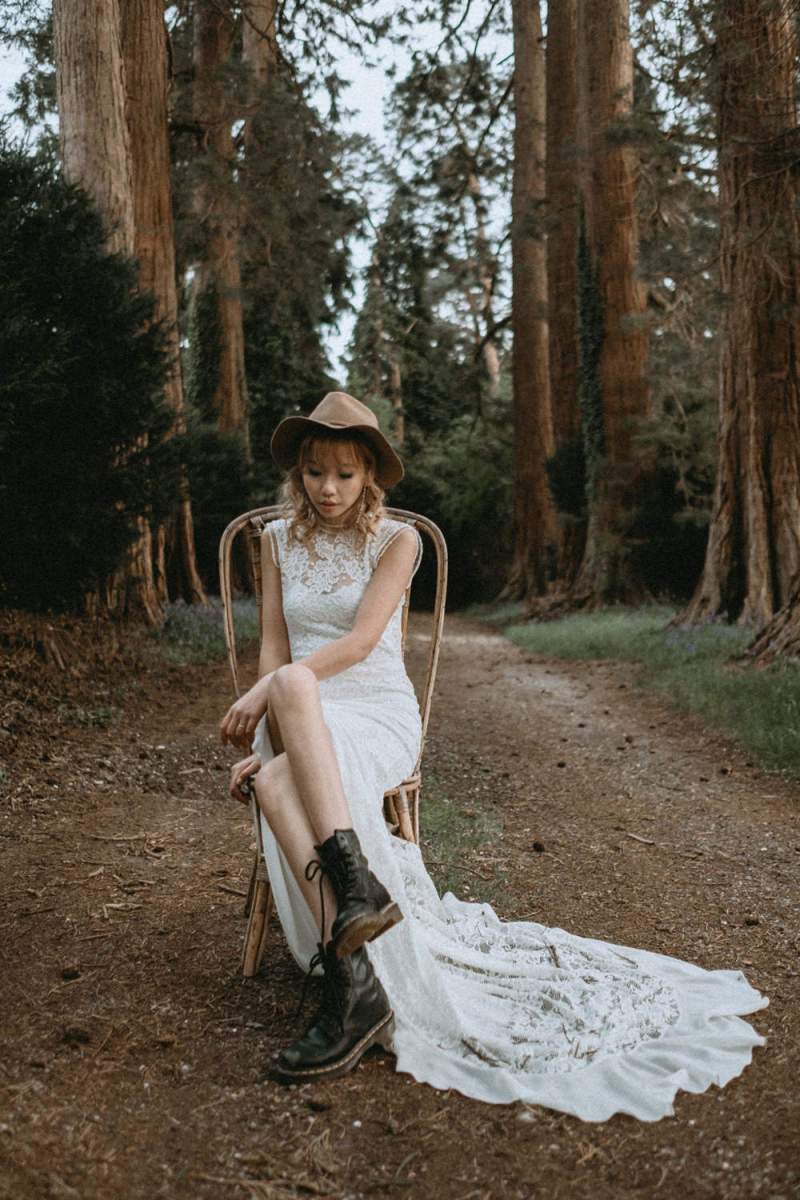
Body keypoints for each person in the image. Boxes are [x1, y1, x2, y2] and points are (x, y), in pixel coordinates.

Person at [221, 390, 767, 1121]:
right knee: (280, 773)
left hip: (372, 712)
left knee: (290, 696)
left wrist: (268, 694)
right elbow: (274, 650)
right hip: (301, 717)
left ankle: (352, 942)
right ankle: (356, 971)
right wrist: (267, 732)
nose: (328, 489)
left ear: (370, 477)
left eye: (346, 475)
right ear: (299, 471)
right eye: (316, 471)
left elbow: (351, 649)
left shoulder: (398, 541)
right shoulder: (277, 541)